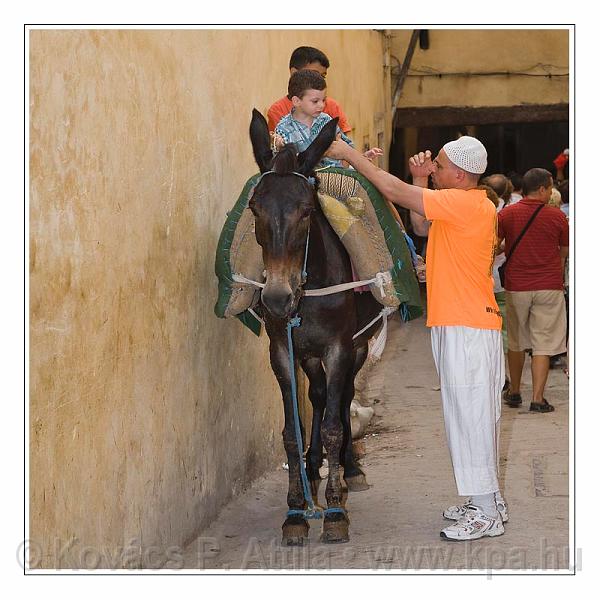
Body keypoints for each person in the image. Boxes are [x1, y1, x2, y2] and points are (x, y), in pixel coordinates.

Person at [326, 135, 508, 541]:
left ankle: (484, 512)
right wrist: (423, 179)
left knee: (470, 418)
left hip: (467, 327)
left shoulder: (462, 203)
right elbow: (421, 225)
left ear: (460, 175)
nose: (434, 167)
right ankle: (488, 498)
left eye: (439, 165)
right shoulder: (465, 202)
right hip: (462, 323)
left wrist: (348, 155)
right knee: (475, 416)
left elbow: (392, 191)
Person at [497, 168, 569, 413]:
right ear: (541, 189)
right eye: (549, 188)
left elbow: (495, 245)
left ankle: (515, 391)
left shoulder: (507, 215)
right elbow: (563, 250)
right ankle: (538, 398)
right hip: (549, 286)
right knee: (544, 344)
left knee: (516, 341)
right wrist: (557, 274)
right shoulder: (557, 217)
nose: (550, 192)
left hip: (517, 286)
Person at [273, 70, 382, 168]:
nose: (321, 105)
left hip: (339, 181)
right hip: (306, 185)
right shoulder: (284, 129)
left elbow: (347, 149)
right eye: (315, 101)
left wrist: (362, 158)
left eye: (323, 100)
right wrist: (280, 149)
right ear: (296, 101)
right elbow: (284, 167)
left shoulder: (326, 120)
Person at [267, 46, 352, 135]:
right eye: (313, 73)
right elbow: (280, 145)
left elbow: (343, 142)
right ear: (294, 73)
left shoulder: (332, 106)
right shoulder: (277, 110)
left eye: (323, 76)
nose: (319, 79)